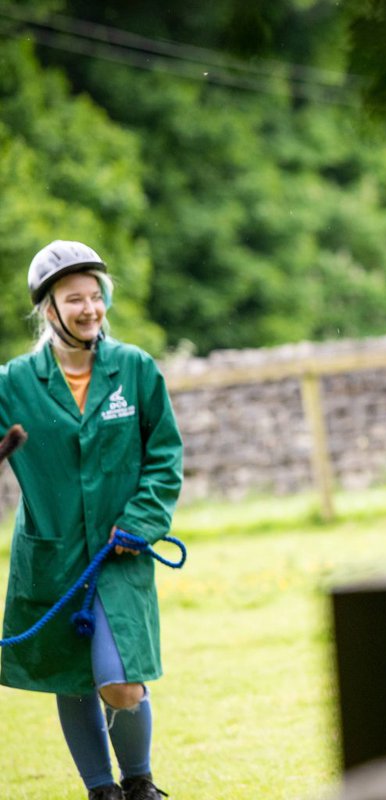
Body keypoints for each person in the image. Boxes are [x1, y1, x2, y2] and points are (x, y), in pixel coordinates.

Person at [0, 241, 183, 800]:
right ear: (48, 310)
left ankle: (140, 782)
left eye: (95, 296)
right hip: (51, 556)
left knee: (121, 682)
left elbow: (165, 455)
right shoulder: (13, 383)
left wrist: (143, 518)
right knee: (71, 678)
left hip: (120, 554)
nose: (90, 308)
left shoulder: (134, 370)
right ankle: (102, 789)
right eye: (73, 298)